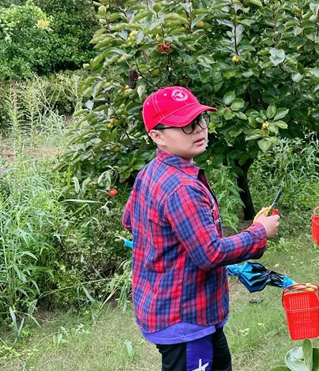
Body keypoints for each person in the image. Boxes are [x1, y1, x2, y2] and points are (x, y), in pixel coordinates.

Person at [122, 86, 280, 371]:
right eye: (185, 125)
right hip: (185, 318)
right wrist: (259, 231)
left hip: (181, 312)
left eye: (200, 120)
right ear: (157, 136)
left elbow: (130, 220)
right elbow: (210, 253)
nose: (198, 129)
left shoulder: (150, 173)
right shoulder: (181, 187)